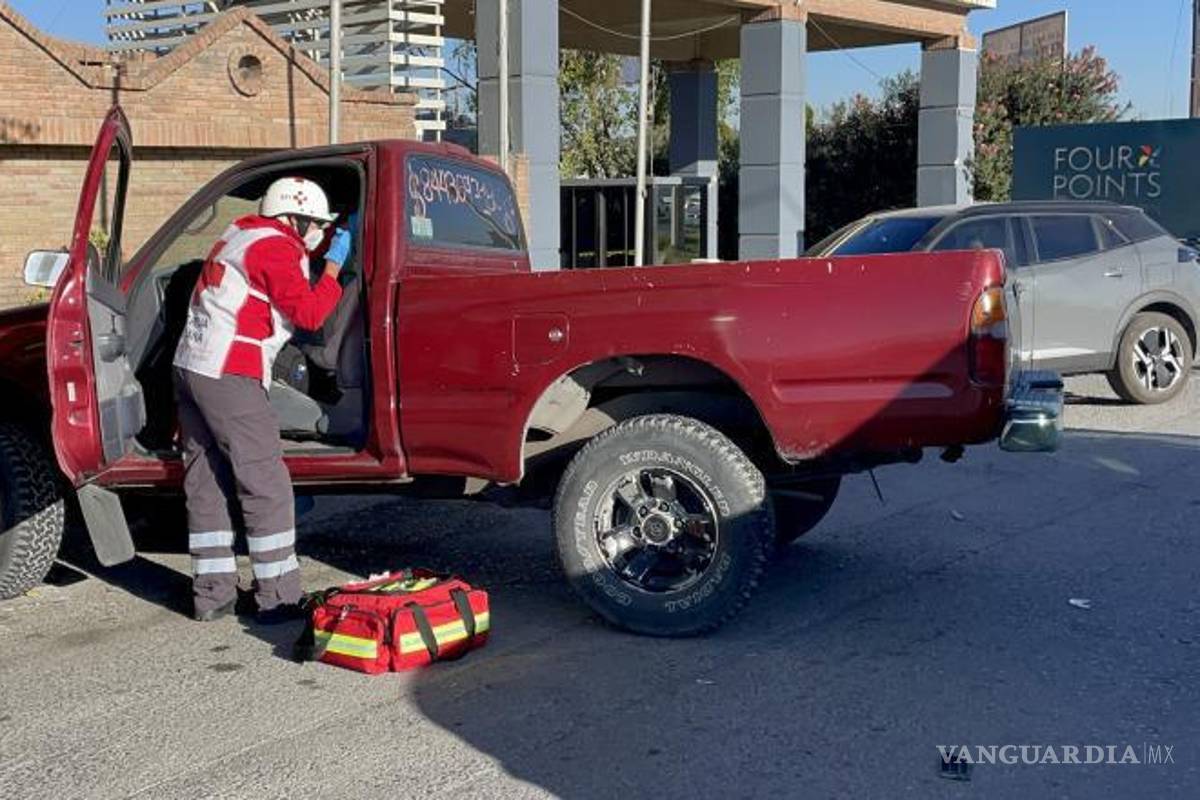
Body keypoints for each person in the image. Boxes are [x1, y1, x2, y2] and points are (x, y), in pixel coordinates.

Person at [173, 176, 353, 623]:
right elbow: (309, 313)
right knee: (265, 482)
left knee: (206, 479)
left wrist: (321, 248)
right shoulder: (275, 246)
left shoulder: (241, 233)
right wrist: (333, 268)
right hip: (230, 370)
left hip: (192, 365)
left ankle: (212, 594)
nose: (318, 233)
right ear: (292, 218)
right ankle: (277, 596)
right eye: (314, 224)